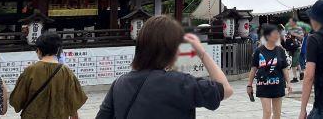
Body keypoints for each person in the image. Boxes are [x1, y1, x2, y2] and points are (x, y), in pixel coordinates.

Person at [96, 15, 230, 118]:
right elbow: (225, 89)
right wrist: (201, 53)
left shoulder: (119, 84)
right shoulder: (181, 83)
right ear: (171, 49)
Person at [10, 32, 86, 119]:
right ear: (58, 50)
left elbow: (16, 101)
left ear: (39, 50)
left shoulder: (30, 70)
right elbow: (73, 102)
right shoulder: (67, 72)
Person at [248, 24, 292, 119]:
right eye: (275, 33)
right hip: (263, 86)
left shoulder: (280, 50)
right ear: (267, 36)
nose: (277, 35)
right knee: (267, 113)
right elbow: (253, 69)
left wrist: (289, 83)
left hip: (278, 85)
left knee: (277, 114)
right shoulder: (259, 51)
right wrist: (249, 85)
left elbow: (284, 68)